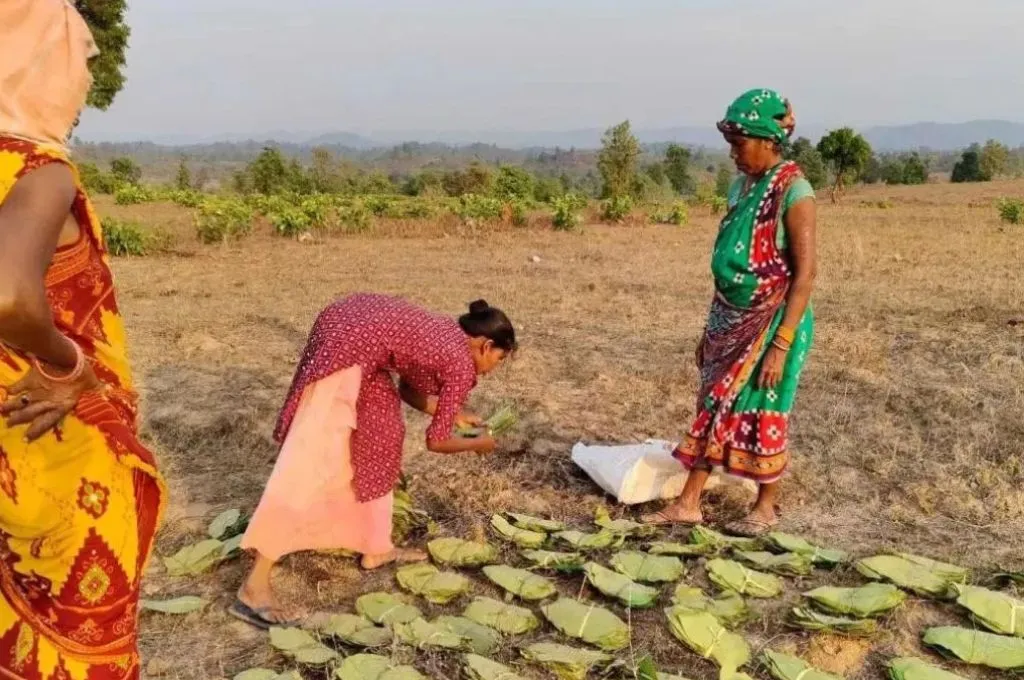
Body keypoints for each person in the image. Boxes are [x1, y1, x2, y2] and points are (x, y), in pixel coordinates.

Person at [0, 1, 166, 677]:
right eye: (80, 59)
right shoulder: (40, 170)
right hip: (56, 462)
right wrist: (70, 364)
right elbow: (8, 295)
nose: (85, 80)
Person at [233, 294, 516, 628]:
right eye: (499, 359)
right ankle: (254, 586)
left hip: (350, 327)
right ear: (486, 346)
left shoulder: (448, 334)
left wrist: (454, 414)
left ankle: (375, 545)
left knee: (383, 432)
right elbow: (435, 441)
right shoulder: (460, 364)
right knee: (309, 461)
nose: (492, 370)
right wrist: (480, 445)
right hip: (346, 345)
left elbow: (410, 393)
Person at [644, 89, 817, 537]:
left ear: (766, 140)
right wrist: (709, 329)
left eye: (740, 144)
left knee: (764, 407)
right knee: (713, 405)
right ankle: (689, 503)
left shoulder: (795, 190)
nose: (734, 154)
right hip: (727, 318)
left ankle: (765, 508)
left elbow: (806, 274)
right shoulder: (741, 186)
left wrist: (780, 345)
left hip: (774, 319)